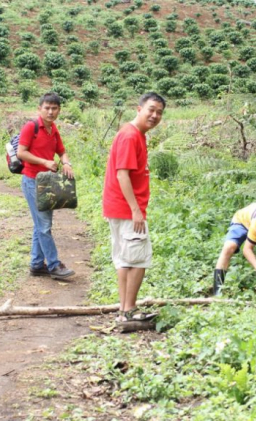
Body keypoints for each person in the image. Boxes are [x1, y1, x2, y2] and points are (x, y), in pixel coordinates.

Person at [103, 92, 166, 322]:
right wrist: (135, 210)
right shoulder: (130, 136)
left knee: (125, 259)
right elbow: (122, 175)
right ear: (139, 108)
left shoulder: (136, 135)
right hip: (128, 209)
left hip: (119, 208)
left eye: (159, 112)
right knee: (138, 260)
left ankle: (124, 310)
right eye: (151, 109)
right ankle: (128, 312)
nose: (155, 115)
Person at [16, 92, 75, 280]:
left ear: (59, 110)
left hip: (46, 182)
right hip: (32, 181)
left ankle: (36, 264)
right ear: (39, 109)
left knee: (40, 224)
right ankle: (54, 265)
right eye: (47, 108)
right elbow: (21, 153)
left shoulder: (53, 129)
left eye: (54, 108)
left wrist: (66, 163)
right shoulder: (30, 127)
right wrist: (44, 162)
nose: (50, 111)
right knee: (44, 225)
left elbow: (62, 151)